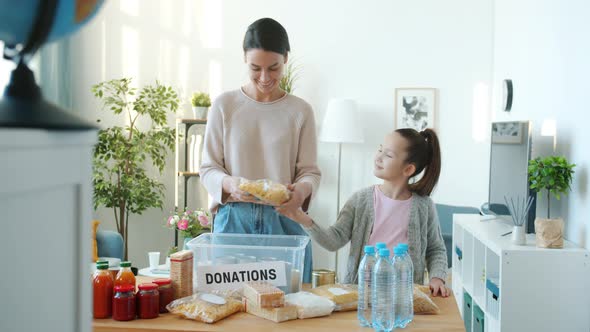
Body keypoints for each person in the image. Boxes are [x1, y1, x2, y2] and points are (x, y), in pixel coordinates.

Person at [200, 18, 321, 283]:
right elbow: (208, 168)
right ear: (244, 58)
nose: (265, 78)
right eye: (255, 68)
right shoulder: (224, 105)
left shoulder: (300, 111)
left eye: (273, 68)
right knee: (229, 305)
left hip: (284, 220)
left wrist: (300, 191)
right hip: (234, 220)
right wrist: (229, 184)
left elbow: (310, 172)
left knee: (289, 306)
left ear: (286, 59)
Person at [279, 128, 450, 296]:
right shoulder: (360, 200)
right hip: (361, 295)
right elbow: (333, 241)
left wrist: (437, 278)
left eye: (388, 155)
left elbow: (436, 250)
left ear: (408, 170)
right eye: (380, 149)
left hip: (405, 296)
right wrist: (302, 218)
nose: (378, 157)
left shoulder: (424, 206)